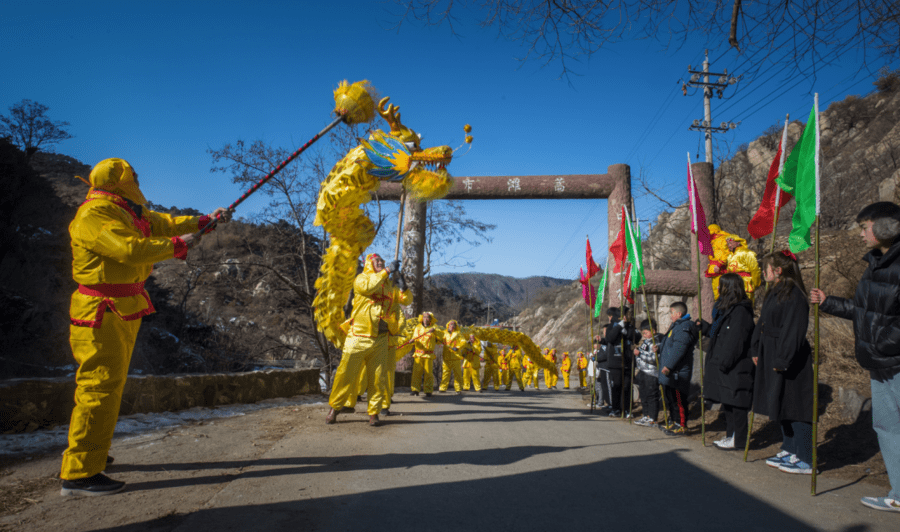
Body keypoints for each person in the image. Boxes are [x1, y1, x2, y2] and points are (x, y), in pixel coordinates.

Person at [61, 158, 231, 496]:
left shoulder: (127, 210)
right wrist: (180, 244)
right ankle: (79, 473)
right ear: (118, 181)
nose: (138, 179)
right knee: (99, 387)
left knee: (108, 386)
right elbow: (129, 249)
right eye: (132, 176)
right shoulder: (94, 215)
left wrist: (203, 222)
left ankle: (91, 454)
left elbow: (165, 222)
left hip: (119, 309)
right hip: (101, 311)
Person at [811, 202, 900, 511]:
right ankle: (899, 495)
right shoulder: (873, 264)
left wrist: (886, 345)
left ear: (887, 226)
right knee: (887, 428)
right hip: (878, 363)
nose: (861, 234)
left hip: (894, 361)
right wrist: (828, 302)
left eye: (865, 227)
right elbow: (864, 312)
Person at [751, 250, 814, 473]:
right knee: (780, 403)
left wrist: (783, 358)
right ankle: (790, 447)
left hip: (788, 357)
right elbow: (763, 324)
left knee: (795, 405)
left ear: (777, 271)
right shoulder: (773, 292)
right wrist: (756, 347)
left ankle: (805, 457)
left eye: (765, 268)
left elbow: (793, 330)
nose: (762, 272)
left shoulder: (794, 295)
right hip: (771, 352)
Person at [326, 253, 406, 427]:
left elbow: (403, 302)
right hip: (357, 337)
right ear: (369, 263)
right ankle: (335, 407)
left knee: (378, 379)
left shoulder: (387, 286)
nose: (381, 263)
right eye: (377, 261)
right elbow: (369, 287)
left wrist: (402, 287)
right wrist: (387, 271)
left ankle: (374, 413)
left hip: (380, 339)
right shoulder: (361, 279)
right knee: (345, 374)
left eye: (383, 262)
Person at [697, 273, 755, 449]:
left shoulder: (740, 311)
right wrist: (705, 328)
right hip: (724, 365)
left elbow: (736, 340)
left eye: (721, 286)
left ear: (729, 288)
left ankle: (739, 440)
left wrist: (724, 362)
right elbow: (719, 335)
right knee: (728, 403)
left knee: (737, 405)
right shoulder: (725, 311)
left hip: (735, 366)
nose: (717, 289)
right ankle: (731, 436)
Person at [657, 301, 698, 435]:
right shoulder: (676, 326)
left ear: (678, 313)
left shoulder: (683, 327)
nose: (670, 315)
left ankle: (682, 425)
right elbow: (670, 346)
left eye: (671, 313)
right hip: (671, 371)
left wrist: (668, 365)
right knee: (672, 399)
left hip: (678, 371)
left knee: (679, 400)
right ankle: (675, 423)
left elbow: (678, 349)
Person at [706, 225, 761, 302]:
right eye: (728, 244)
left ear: (738, 243)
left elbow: (755, 269)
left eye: (731, 243)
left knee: (746, 305)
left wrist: (756, 283)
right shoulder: (731, 255)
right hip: (733, 285)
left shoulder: (747, 253)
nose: (729, 245)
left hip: (745, 284)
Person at [602, 307, 634, 417]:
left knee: (627, 387)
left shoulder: (629, 326)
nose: (625, 317)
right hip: (615, 362)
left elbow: (634, 337)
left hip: (627, 361)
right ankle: (615, 408)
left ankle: (626, 409)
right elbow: (609, 338)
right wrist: (619, 326)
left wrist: (626, 331)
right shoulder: (612, 326)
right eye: (623, 315)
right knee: (616, 386)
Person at [633, 320, 663, 427]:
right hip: (643, 371)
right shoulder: (646, 342)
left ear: (653, 331)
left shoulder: (656, 342)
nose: (644, 335)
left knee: (651, 396)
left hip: (651, 373)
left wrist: (639, 353)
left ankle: (653, 418)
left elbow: (653, 358)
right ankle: (646, 415)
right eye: (643, 333)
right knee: (644, 395)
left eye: (646, 332)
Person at [410, 312, 441, 396]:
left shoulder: (435, 328)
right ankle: (415, 389)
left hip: (428, 354)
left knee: (428, 373)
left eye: (428, 317)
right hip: (418, 353)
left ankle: (428, 390)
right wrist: (412, 340)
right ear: (422, 318)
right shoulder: (418, 328)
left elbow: (440, 337)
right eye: (424, 317)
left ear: (431, 319)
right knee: (416, 372)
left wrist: (434, 331)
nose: (425, 319)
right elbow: (414, 337)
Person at [440, 320, 464, 393]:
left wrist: (457, 347)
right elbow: (440, 340)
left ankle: (458, 389)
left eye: (454, 325)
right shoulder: (444, 333)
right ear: (448, 325)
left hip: (455, 356)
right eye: (451, 324)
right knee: (445, 373)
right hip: (446, 356)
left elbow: (463, 342)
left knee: (457, 374)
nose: (452, 326)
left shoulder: (458, 334)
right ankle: (443, 388)